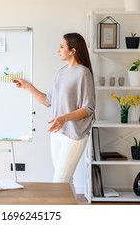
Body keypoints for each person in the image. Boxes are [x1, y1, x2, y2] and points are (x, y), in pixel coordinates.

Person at [13, 32, 95, 187]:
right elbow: (48, 101)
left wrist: (64, 118)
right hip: (57, 134)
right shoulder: (61, 73)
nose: (58, 50)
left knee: (59, 183)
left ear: (73, 51)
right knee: (64, 182)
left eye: (61, 46)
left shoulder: (83, 73)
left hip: (74, 136)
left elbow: (88, 108)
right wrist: (26, 86)